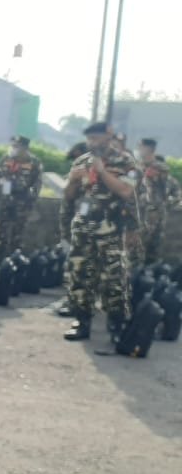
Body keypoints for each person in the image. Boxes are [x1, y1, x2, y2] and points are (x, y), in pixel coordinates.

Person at [61, 122, 140, 341]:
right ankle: (81, 320)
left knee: (113, 278)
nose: (91, 142)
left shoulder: (126, 162)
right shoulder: (81, 162)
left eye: (96, 138)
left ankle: (116, 323)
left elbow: (125, 191)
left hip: (111, 229)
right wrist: (73, 181)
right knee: (79, 273)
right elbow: (69, 196)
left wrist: (102, 170)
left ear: (108, 137)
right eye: (89, 139)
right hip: (84, 227)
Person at [0, 135, 43, 260]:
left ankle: (14, 260)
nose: (13, 148)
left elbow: (37, 184)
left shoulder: (34, 162)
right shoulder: (6, 159)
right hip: (5, 201)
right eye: (13, 145)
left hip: (22, 202)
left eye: (17, 146)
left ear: (25, 148)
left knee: (18, 233)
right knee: (0, 233)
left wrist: (30, 203)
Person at [137, 138, 180, 266]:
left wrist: (162, 207)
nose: (139, 149)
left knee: (152, 253)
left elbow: (174, 193)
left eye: (141, 147)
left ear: (148, 149)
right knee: (135, 253)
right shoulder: (135, 167)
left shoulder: (160, 170)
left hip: (156, 218)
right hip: (137, 216)